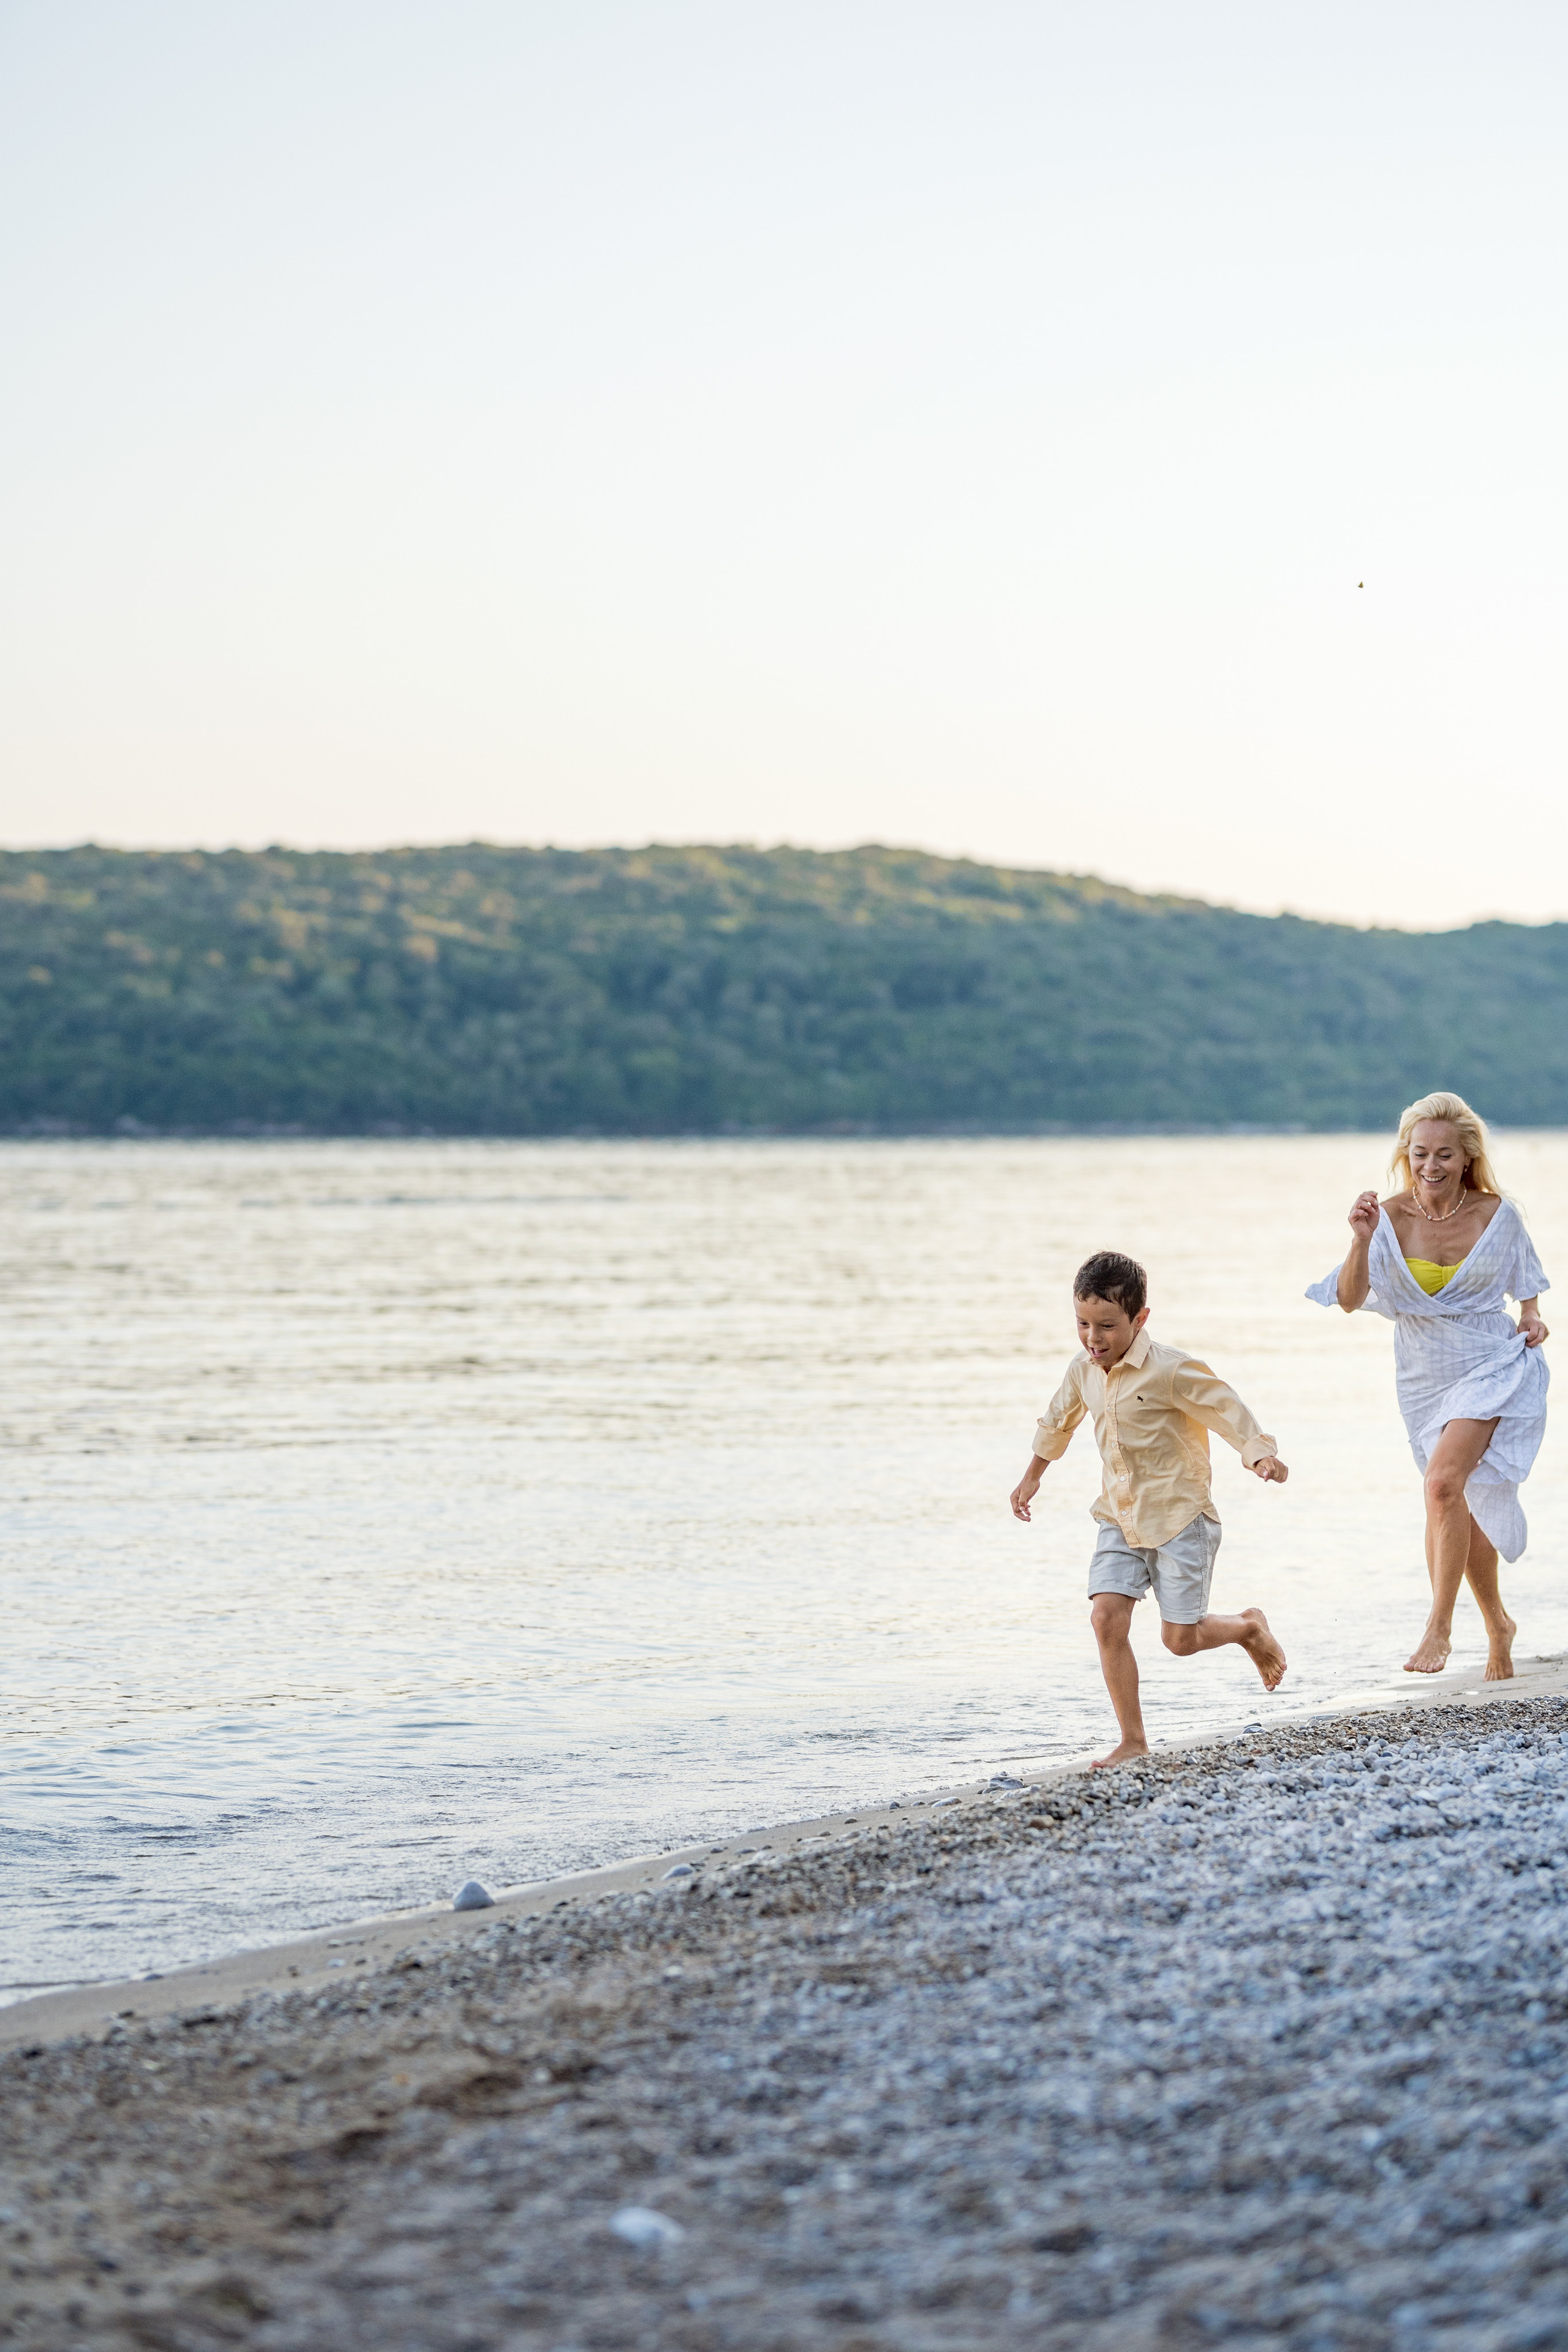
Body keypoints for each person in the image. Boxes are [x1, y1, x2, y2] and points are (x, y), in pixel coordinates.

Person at [1010, 1250, 1289, 1768]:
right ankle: (1133, 1740)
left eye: (1108, 1326)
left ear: (1140, 1320)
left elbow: (1224, 1406)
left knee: (1180, 1640)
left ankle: (1249, 1627)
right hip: (1118, 1516)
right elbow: (1058, 1422)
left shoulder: (1171, 1369)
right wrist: (1032, 1477)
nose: (1094, 1339)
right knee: (1105, 1619)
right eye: (1083, 1324)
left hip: (1181, 1518)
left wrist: (1259, 1453)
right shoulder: (1083, 1370)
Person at [1308, 1090, 1549, 1679]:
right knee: (1461, 1500)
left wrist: (1532, 1316)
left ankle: (1439, 1626)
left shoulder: (1497, 1214)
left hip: (1489, 1363)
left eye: (1444, 1155)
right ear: (1405, 1155)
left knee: (1442, 1486)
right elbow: (1348, 1300)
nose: (1431, 1166)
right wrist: (1361, 1239)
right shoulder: (1388, 1218)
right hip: (1421, 1372)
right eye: (1420, 1155)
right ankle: (1498, 1622)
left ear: (1467, 1157)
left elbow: (1527, 1281)